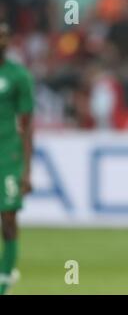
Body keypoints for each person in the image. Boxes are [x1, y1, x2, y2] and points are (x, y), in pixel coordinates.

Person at [0, 22, 34, 295]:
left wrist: (27, 171)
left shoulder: (18, 76)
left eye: (3, 34)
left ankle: (5, 277)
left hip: (7, 155)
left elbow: (27, 125)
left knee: (8, 218)